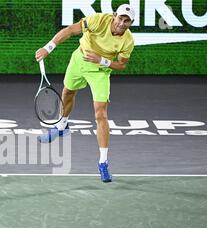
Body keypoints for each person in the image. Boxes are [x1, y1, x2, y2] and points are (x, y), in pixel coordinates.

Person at [35, 4, 136, 183]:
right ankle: (61, 126)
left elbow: (121, 65)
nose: (122, 23)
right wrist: (48, 48)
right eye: (120, 18)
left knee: (101, 114)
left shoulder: (128, 41)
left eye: (126, 21)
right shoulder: (98, 20)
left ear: (131, 23)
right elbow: (70, 30)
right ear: (114, 16)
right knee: (67, 93)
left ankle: (103, 162)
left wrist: (102, 60)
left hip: (100, 71)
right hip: (79, 59)